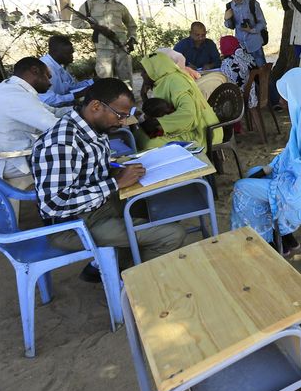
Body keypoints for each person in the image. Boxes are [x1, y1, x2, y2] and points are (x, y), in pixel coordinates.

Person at [30, 78, 187, 278]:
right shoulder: (61, 144)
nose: (122, 122)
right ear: (96, 106)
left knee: (164, 206)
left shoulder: (92, 128)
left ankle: (111, 266)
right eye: (119, 115)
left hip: (98, 206)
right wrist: (116, 182)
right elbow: (54, 203)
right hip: (73, 225)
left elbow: (90, 168)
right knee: (171, 235)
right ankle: (139, 287)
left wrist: (116, 169)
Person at [230, 68, 301, 253]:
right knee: (255, 174)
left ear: (298, 92)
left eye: (285, 96)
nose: (281, 101)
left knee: (242, 187)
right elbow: (292, 151)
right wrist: (271, 167)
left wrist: (291, 193)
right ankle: (284, 238)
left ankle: (267, 245)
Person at [0, 56, 69, 180]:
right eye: (48, 76)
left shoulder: (10, 88)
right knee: (80, 150)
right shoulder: (14, 96)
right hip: (13, 162)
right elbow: (56, 126)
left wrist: (80, 110)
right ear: (35, 71)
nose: (50, 83)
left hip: (9, 156)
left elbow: (53, 112)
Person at [135, 51, 222, 151]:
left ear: (156, 70)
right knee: (139, 133)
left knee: (150, 145)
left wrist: (159, 122)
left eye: (145, 71)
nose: (141, 75)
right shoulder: (162, 82)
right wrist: (143, 95)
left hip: (202, 132)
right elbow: (155, 109)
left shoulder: (176, 82)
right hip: (187, 127)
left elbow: (188, 114)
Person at [72, 0, 137, 86]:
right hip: (103, 48)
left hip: (121, 45)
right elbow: (75, 22)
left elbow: (131, 25)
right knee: (104, 77)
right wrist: (93, 26)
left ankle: (127, 96)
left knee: (126, 76)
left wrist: (132, 39)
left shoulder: (119, 6)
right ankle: (107, 99)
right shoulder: (90, 5)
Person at [39, 35, 94, 107]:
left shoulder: (59, 65)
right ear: (55, 52)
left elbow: (71, 86)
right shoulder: (45, 68)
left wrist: (92, 81)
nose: (72, 57)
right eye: (68, 54)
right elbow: (49, 101)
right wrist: (79, 94)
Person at [223, 0, 267, 67]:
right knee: (246, 73)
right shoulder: (229, 6)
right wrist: (226, 19)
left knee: (262, 71)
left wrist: (251, 30)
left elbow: (262, 23)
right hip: (240, 46)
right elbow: (230, 26)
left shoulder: (253, 4)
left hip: (255, 43)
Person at [219, 35, 257, 109]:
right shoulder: (246, 57)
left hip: (238, 98)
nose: (220, 48)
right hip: (253, 93)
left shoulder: (228, 63)